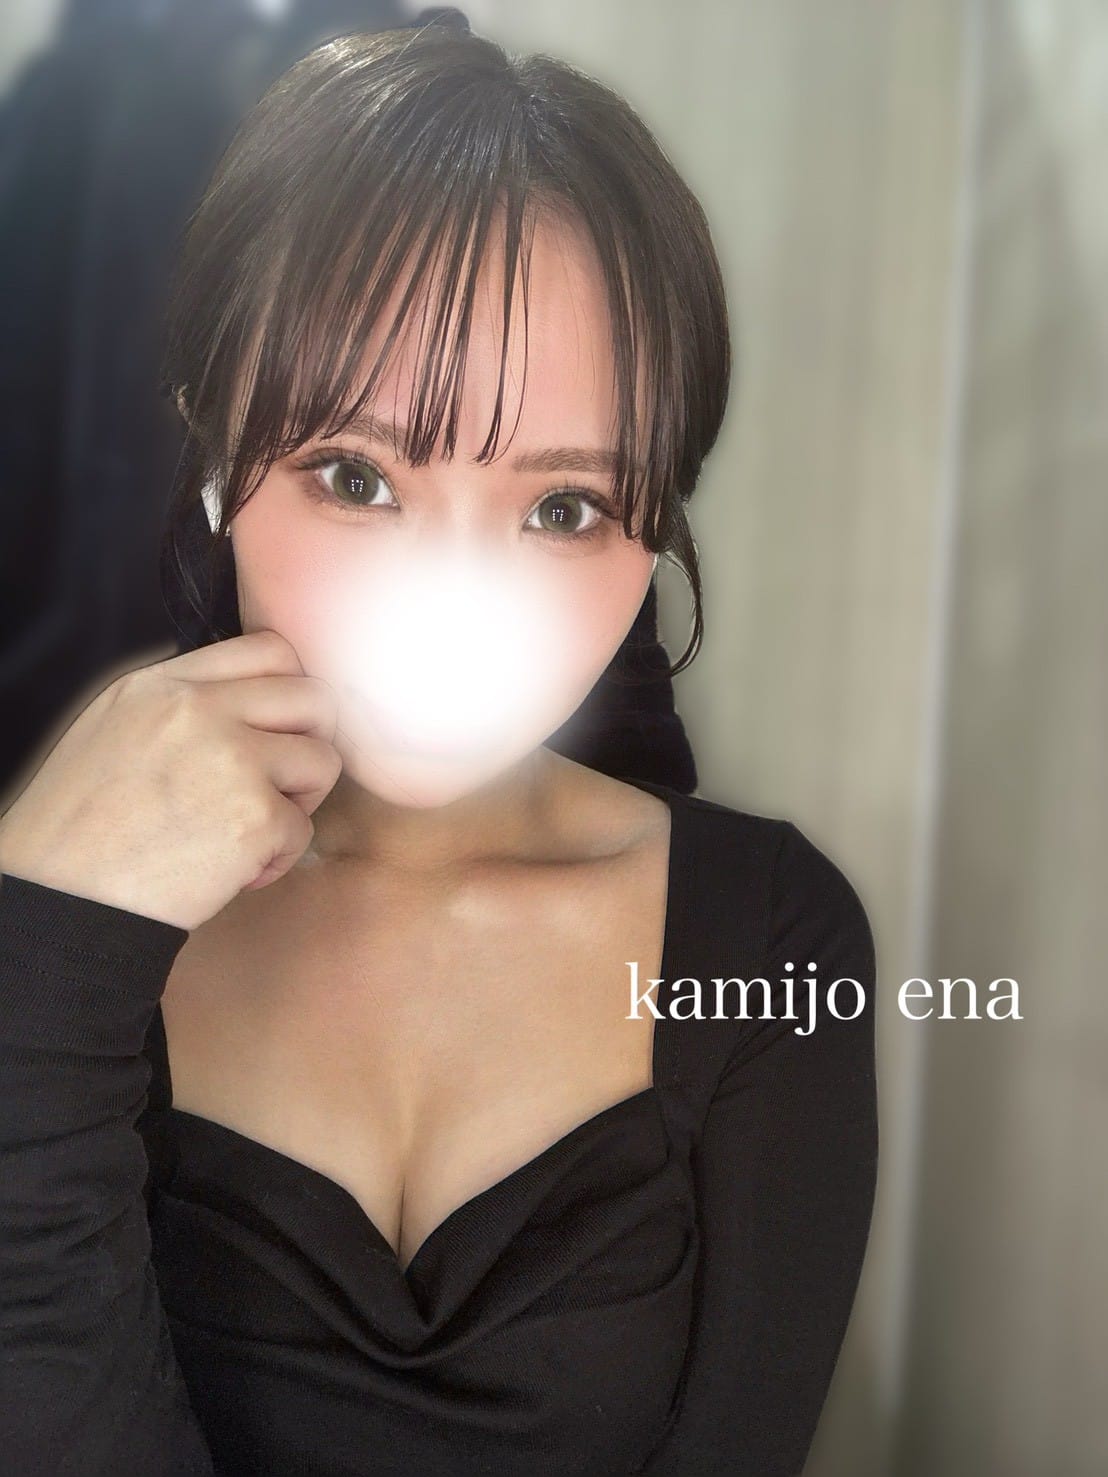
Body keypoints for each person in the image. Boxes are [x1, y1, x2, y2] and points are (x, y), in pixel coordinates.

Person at [0, 20, 879, 1477]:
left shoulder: (774, 943)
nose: (454, 601)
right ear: (216, 455)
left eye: (563, 509)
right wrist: (37, 957)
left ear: (655, 525)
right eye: (357, 477)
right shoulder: (69, 914)